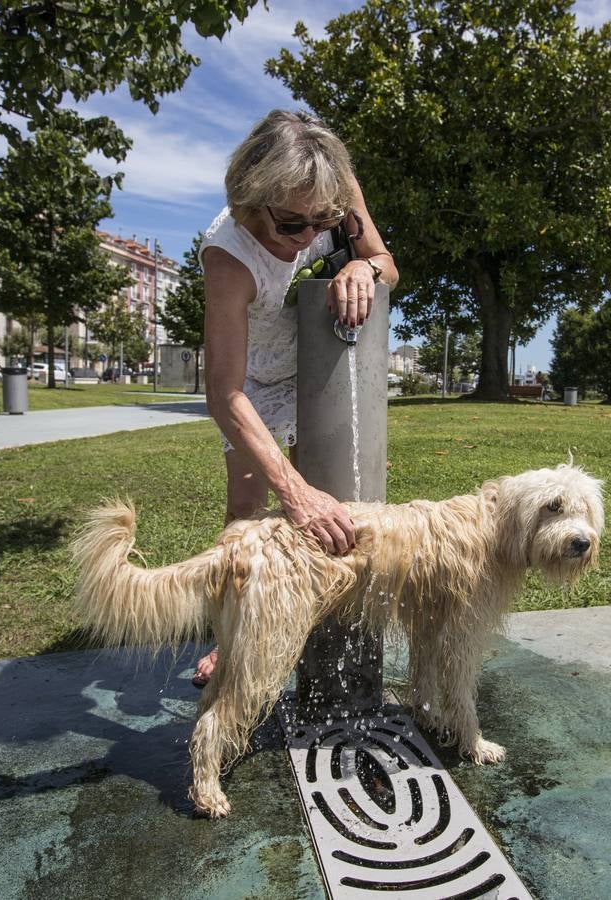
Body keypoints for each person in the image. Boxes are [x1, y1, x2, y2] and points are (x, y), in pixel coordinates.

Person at [192, 110, 399, 687]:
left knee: (340, 493)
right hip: (254, 379)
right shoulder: (228, 258)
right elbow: (224, 392)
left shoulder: (330, 187)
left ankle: (309, 613)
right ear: (250, 200)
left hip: (318, 362)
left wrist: (362, 265)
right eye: (290, 226)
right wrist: (295, 493)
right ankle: (230, 633)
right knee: (248, 509)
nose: (309, 238)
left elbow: (388, 264)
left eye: (322, 223)